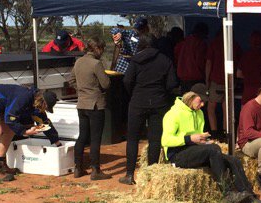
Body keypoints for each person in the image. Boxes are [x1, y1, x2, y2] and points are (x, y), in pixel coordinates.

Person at [161, 84, 261, 203]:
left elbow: (197, 138)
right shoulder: (172, 114)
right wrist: (189, 139)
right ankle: (227, 193)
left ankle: (251, 199)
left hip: (193, 149)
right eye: (200, 101)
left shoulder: (199, 113)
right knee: (213, 149)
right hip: (177, 155)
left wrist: (203, 140)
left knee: (233, 160)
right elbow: (165, 140)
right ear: (191, 97)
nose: (202, 105)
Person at [120, 36, 179, 185]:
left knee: (132, 138)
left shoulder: (135, 60)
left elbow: (127, 81)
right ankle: (151, 175)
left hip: (138, 102)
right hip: (159, 103)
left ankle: (129, 174)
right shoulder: (165, 60)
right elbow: (172, 84)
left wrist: (134, 93)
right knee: (155, 140)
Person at [0, 85, 58, 182]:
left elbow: (44, 122)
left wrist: (56, 141)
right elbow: (10, 118)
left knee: (10, 130)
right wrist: (24, 132)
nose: (45, 110)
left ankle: (1, 164)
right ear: (42, 102)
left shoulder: (34, 101)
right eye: (46, 107)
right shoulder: (24, 98)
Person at [72, 38, 111, 180]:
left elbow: (71, 79)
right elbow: (106, 84)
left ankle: (78, 168)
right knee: (95, 138)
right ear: (98, 49)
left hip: (81, 104)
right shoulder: (96, 64)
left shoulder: (78, 62)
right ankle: (95, 170)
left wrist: (81, 90)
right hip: (95, 104)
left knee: (82, 136)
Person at [237, 30, 261, 105]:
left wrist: (248, 77)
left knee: (245, 113)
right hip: (260, 91)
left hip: (247, 90)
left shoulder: (245, 56)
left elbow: (238, 74)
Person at [175, 22, 209, 92]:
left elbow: (176, 59)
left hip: (183, 79)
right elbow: (201, 62)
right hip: (196, 78)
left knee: (186, 101)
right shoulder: (200, 44)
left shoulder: (182, 43)